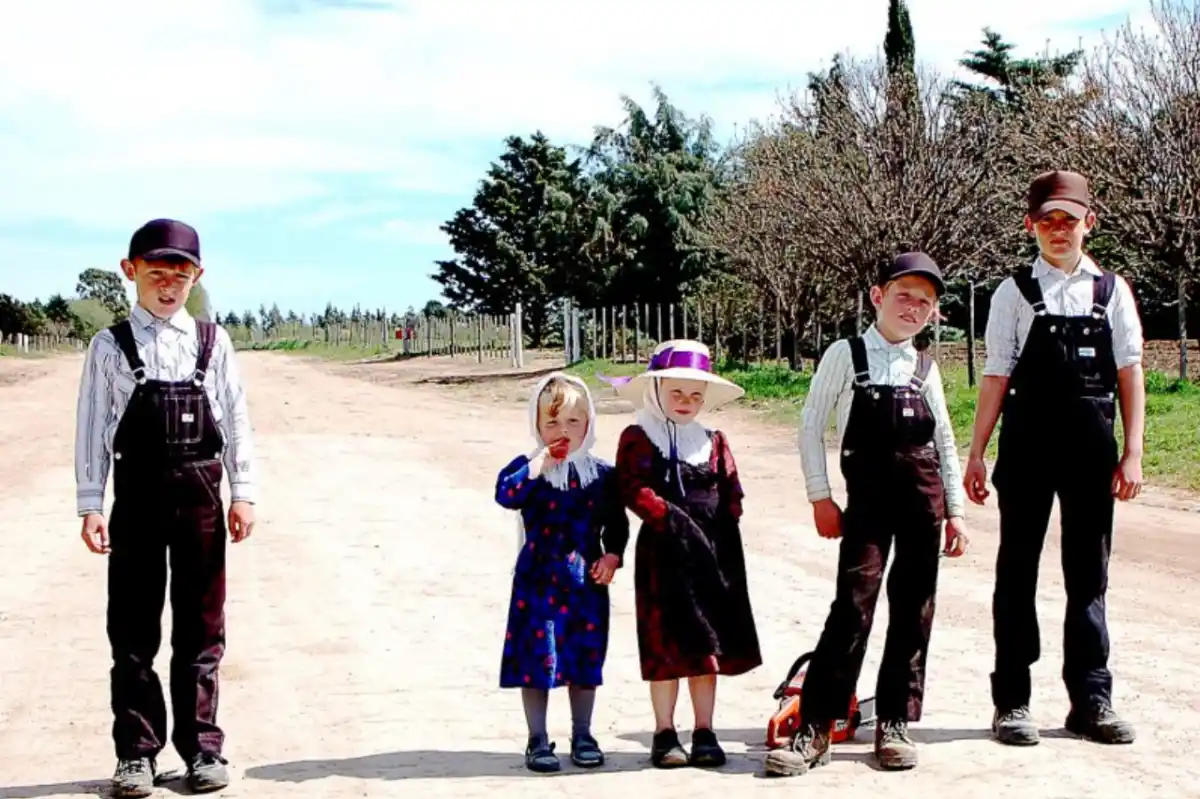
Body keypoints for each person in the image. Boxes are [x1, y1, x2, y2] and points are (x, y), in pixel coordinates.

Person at [764, 252, 969, 777]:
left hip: (922, 504)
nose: (913, 308)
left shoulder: (925, 367)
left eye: (924, 302)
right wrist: (819, 496)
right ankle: (816, 726)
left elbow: (945, 441)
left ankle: (894, 721)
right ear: (878, 297)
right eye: (904, 296)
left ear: (933, 313)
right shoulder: (846, 354)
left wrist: (956, 512)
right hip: (868, 507)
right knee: (853, 607)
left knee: (914, 610)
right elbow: (811, 425)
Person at [74, 218, 256, 796]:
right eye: (156, 273)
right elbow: (92, 426)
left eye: (180, 274)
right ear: (131, 272)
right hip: (137, 500)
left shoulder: (212, 341)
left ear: (196, 276)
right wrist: (90, 502)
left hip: (201, 498)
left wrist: (243, 491)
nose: (168, 284)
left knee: (202, 628)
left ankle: (203, 748)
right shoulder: (109, 346)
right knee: (132, 629)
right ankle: (136, 754)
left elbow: (236, 419)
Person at [963, 170, 1144, 747]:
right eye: (1048, 221)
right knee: (1016, 572)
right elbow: (996, 374)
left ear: (1090, 222)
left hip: (1092, 453)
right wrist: (976, 452)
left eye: (1069, 220)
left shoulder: (1112, 292)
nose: (1059, 230)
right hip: (1027, 450)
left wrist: (1134, 452)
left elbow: (1129, 372)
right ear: (1031, 225)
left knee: (1088, 575)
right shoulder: (1013, 293)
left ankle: (1091, 699)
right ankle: (1012, 700)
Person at [610, 340, 762, 769]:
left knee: (706, 642)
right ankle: (664, 732)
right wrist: (672, 519)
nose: (685, 401)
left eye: (695, 395)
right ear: (656, 390)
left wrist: (724, 525)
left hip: (713, 553)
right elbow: (632, 488)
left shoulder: (713, 440)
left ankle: (704, 730)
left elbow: (731, 487)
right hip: (664, 554)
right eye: (676, 392)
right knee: (665, 643)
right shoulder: (639, 437)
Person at [494, 373, 629, 773]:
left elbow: (617, 524)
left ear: (589, 423)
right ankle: (536, 739)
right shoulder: (529, 471)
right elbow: (506, 495)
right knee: (537, 660)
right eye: (552, 422)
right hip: (536, 583)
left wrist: (612, 557)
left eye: (573, 421)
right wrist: (538, 464)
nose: (563, 431)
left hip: (585, 583)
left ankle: (583, 734)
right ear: (536, 424)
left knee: (584, 658)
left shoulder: (601, 475)